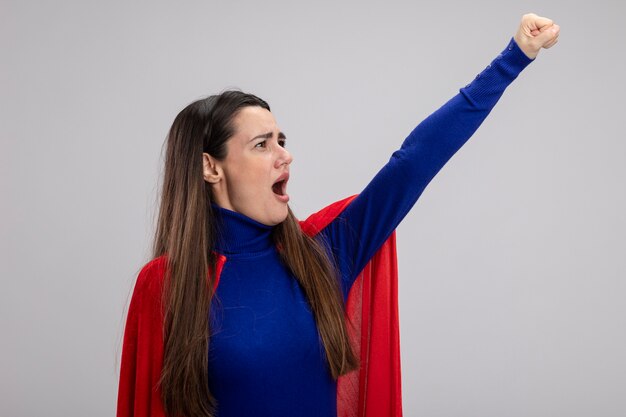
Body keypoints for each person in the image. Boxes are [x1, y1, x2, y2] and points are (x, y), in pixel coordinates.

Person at [117, 13, 560, 417]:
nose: (284, 156)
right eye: (261, 144)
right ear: (211, 167)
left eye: (281, 140)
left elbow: (413, 162)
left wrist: (513, 58)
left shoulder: (324, 255)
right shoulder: (165, 285)